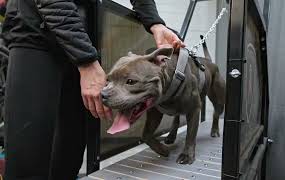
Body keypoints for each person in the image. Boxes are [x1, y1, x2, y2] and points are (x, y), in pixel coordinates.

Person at [1, 0, 184, 179]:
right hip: (36, 35)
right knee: (28, 162)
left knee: (68, 157)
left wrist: (155, 22)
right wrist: (86, 61)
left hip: (84, 36)